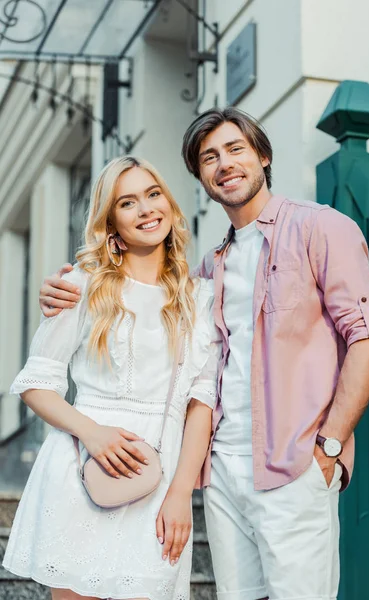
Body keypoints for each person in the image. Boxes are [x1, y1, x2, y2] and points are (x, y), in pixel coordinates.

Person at [38, 108, 369, 600]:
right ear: (200, 178)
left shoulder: (321, 228)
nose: (224, 163)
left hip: (295, 465)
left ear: (262, 156)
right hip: (224, 473)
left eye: (235, 149)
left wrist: (330, 446)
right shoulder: (208, 270)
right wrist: (72, 285)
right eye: (209, 157)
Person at [3, 156, 220, 600]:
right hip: (82, 466)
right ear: (111, 223)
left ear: (170, 205)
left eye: (153, 194)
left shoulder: (201, 298)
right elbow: (37, 383)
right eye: (128, 202)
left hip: (158, 475)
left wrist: (181, 492)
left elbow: (202, 403)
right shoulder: (84, 286)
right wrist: (94, 434)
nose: (146, 210)